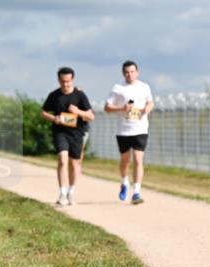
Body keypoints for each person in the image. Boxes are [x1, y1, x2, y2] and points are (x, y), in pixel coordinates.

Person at [41, 67, 94, 206]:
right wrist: (53, 118)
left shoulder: (80, 95)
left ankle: (71, 191)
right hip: (60, 132)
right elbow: (43, 112)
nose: (66, 84)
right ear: (59, 80)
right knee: (62, 160)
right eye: (63, 81)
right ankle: (62, 193)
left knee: (73, 164)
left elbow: (91, 116)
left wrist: (78, 111)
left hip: (77, 133)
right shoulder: (54, 95)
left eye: (68, 81)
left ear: (73, 80)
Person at [103, 60, 153, 205]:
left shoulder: (145, 87)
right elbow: (107, 108)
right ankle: (124, 182)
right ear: (123, 73)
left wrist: (147, 109)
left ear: (137, 72)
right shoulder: (118, 88)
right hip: (124, 130)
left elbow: (150, 101)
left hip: (140, 128)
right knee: (125, 160)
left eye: (132, 71)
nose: (129, 74)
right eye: (126, 72)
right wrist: (121, 109)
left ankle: (136, 192)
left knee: (138, 159)